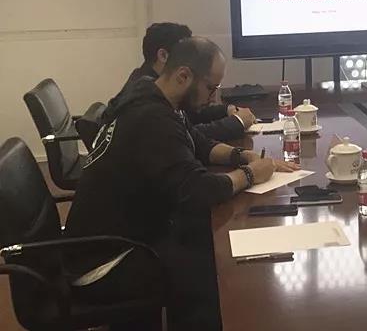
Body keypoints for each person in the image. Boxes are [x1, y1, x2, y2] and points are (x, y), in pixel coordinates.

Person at [65, 37, 299, 330]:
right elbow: (198, 191)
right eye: (211, 88)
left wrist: (243, 156)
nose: (214, 98)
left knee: (207, 244)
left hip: (126, 237)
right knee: (213, 271)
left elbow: (199, 143)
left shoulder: (155, 97)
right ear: (183, 76)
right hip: (104, 261)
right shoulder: (149, 119)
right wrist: (250, 174)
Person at [114, 22, 255, 140]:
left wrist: (225, 110)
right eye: (184, 52)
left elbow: (190, 116)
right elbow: (183, 135)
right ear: (163, 55)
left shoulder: (148, 82)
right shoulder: (146, 102)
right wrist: (237, 123)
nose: (193, 60)